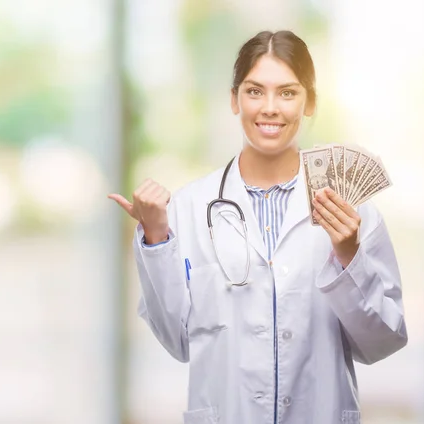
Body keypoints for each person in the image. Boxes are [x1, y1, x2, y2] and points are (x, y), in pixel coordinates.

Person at [108, 30, 407, 424]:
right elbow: (178, 341)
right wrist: (156, 237)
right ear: (234, 100)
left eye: (287, 93)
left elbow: (382, 343)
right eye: (254, 91)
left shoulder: (353, 214)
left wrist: (349, 257)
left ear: (310, 102)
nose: (270, 108)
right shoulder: (188, 208)